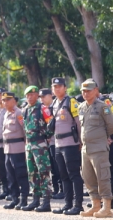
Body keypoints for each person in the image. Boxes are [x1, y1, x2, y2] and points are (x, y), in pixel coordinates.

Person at [78, 78, 113, 218]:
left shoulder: (103, 106)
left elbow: (110, 125)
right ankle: (95, 206)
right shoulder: (81, 107)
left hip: (99, 148)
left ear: (96, 91)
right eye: (83, 91)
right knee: (88, 178)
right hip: (86, 149)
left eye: (88, 90)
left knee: (102, 178)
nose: (85, 93)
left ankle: (107, 208)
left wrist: (105, 137)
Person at [49, 77, 83, 215]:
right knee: (63, 175)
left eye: (59, 86)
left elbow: (79, 123)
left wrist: (81, 141)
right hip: (58, 144)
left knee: (74, 174)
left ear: (65, 88)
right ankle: (68, 204)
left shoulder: (71, 102)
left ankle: (78, 205)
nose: (56, 89)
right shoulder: (55, 103)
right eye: (54, 87)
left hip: (70, 143)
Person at [22, 85, 53, 212]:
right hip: (29, 145)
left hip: (40, 144)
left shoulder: (43, 108)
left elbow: (51, 124)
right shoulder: (25, 110)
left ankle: (46, 202)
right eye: (28, 95)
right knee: (32, 173)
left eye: (32, 95)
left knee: (43, 173)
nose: (30, 97)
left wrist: (47, 136)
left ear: (37, 96)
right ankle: (35, 200)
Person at [1, 92, 30, 210]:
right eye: (4, 100)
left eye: (8, 99)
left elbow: (25, 131)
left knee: (21, 174)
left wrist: (26, 148)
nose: (5, 102)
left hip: (18, 148)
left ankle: (24, 199)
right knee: (10, 176)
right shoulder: (6, 114)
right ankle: (14, 199)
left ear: (14, 101)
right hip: (7, 149)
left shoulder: (19, 113)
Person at [39, 87, 64, 200]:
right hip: (49, 142)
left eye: (44, 96)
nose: (42, 99)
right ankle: (56, 189)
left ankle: (63, 189)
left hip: (57, 141)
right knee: (53, 168)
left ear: (50, 95)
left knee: (59, 167)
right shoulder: (44, 109)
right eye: (41, 97)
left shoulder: (54, 107)